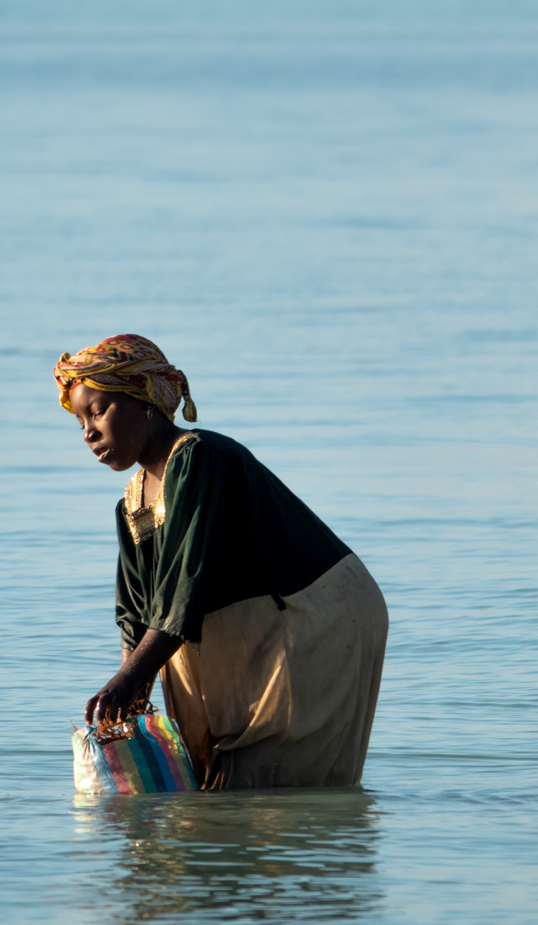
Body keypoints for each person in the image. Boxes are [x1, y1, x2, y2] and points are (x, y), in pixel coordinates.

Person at [56, 334, 387, 790]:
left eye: (98, 411)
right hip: (238, 627)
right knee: (207, 778)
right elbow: (136, 613)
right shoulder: (131, 504)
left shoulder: (200, 457)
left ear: (145, 397)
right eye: (79, 422)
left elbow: (186, 582)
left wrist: (131, 678)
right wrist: (128, 694)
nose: (88, 431)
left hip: (311, 616)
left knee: (260, 780)